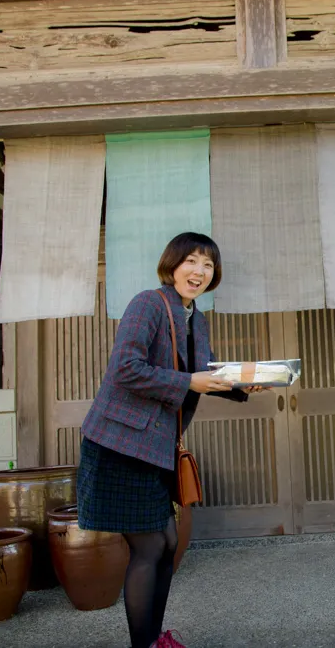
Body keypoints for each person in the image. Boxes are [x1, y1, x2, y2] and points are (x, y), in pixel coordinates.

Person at [76, 232, 263, 648]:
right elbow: (126, 369)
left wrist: (240, 386)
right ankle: (145, 645)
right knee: (150, 546)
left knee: (167, 544)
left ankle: (154, 638)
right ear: (173, 264)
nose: (199, 271)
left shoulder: (196, 317)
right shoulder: (149, 303)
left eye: (208, 265)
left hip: (156, 446)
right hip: (119, 444)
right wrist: (189, 380)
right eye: (192, 261)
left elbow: (201, 375)